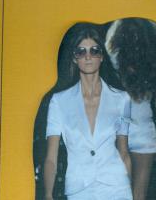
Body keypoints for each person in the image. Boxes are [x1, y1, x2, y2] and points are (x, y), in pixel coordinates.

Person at [43, 23, 133, 200]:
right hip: (79, 188)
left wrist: (129, 188)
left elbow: (124, 152)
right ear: (74, 58)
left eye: (94, 50)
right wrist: (47, 194)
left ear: (102, 56)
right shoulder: (59, 101)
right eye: (81, 51)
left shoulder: (122, 99)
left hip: (117, 188)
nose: (88, 56)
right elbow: (51, 158)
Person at [105, 18, 156, 200]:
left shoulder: (115, 60)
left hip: (117, 131)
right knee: (139, 195)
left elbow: (109, 40)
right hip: (144, 131)